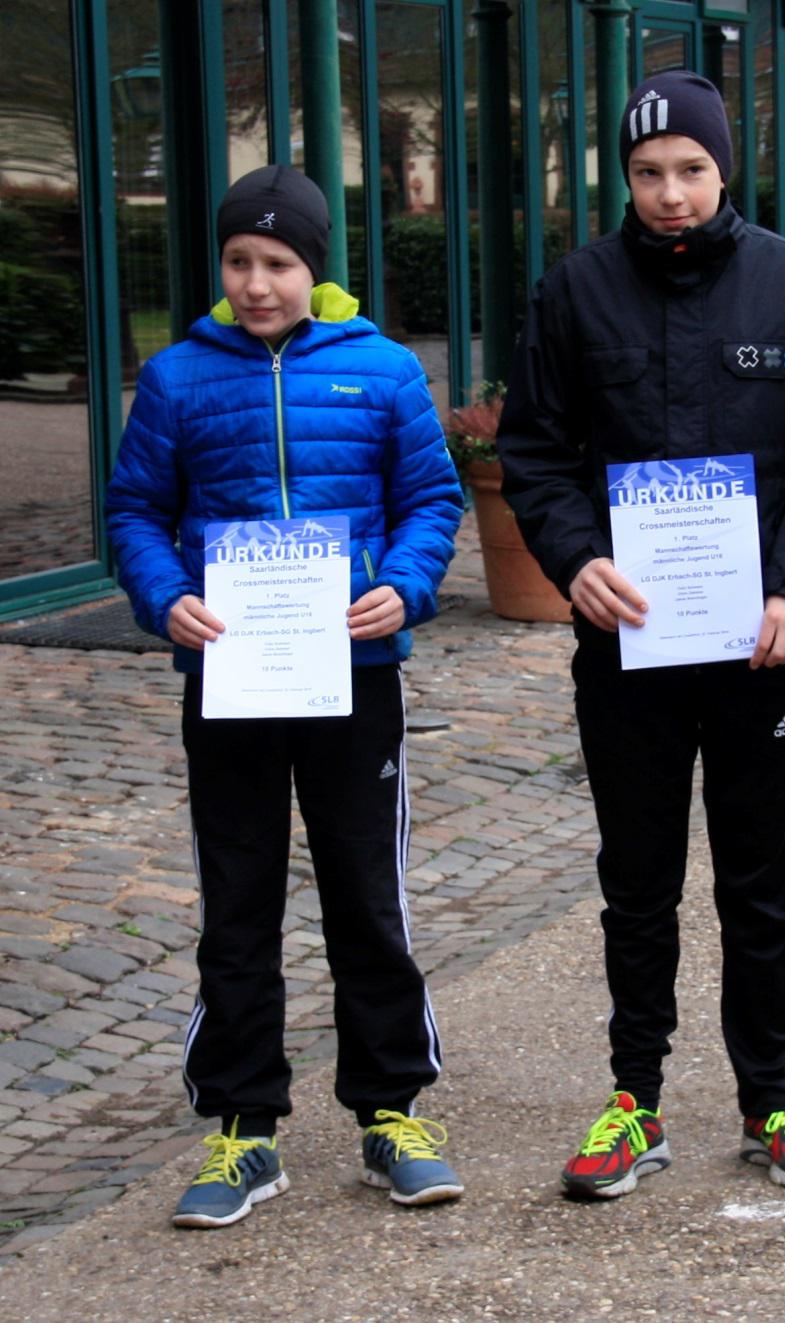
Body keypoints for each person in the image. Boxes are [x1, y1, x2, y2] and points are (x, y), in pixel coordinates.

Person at [497, 71, 785, 1198]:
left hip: (758, 648)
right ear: (626, 179)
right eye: (649, 174)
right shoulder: (574, 293)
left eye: (691, 172)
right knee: (637, 880)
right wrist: (575, 559)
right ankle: (632, 1099)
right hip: (628, 650)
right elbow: (534, 453)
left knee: (758, 883)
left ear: (724, 172)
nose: (670, 194)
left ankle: (771, 1094)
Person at [106, 165, 465, 1228]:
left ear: (315, 267)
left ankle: (390, 1110)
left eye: (277, 262)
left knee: (366, 891)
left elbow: (430, 496)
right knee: (239, 900)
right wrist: (164, 596)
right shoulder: (176, 379)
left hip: (352, 679)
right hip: (232, 679)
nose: (256, 282)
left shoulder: (384, 370)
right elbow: (134, 510)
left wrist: (406, 585)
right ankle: (243, 1129)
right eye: (238, 261)